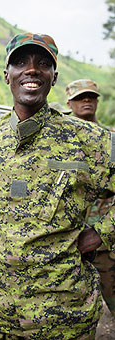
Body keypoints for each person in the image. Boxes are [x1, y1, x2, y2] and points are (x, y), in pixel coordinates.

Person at [0, 32, 115, 339]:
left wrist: (101, 232)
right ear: (6, 75)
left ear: (54, 78)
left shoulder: (91, 140)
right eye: (20, 62)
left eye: (43, 63)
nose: (32, 69)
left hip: (65, 310)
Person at [66, 78, 115, 318]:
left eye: (91, 97)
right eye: (79, 97)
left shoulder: (111, 139)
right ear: (69, 102)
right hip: (66, 241)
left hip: (106, 238)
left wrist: (102, 231)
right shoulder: (57, 139)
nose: (86, 100)